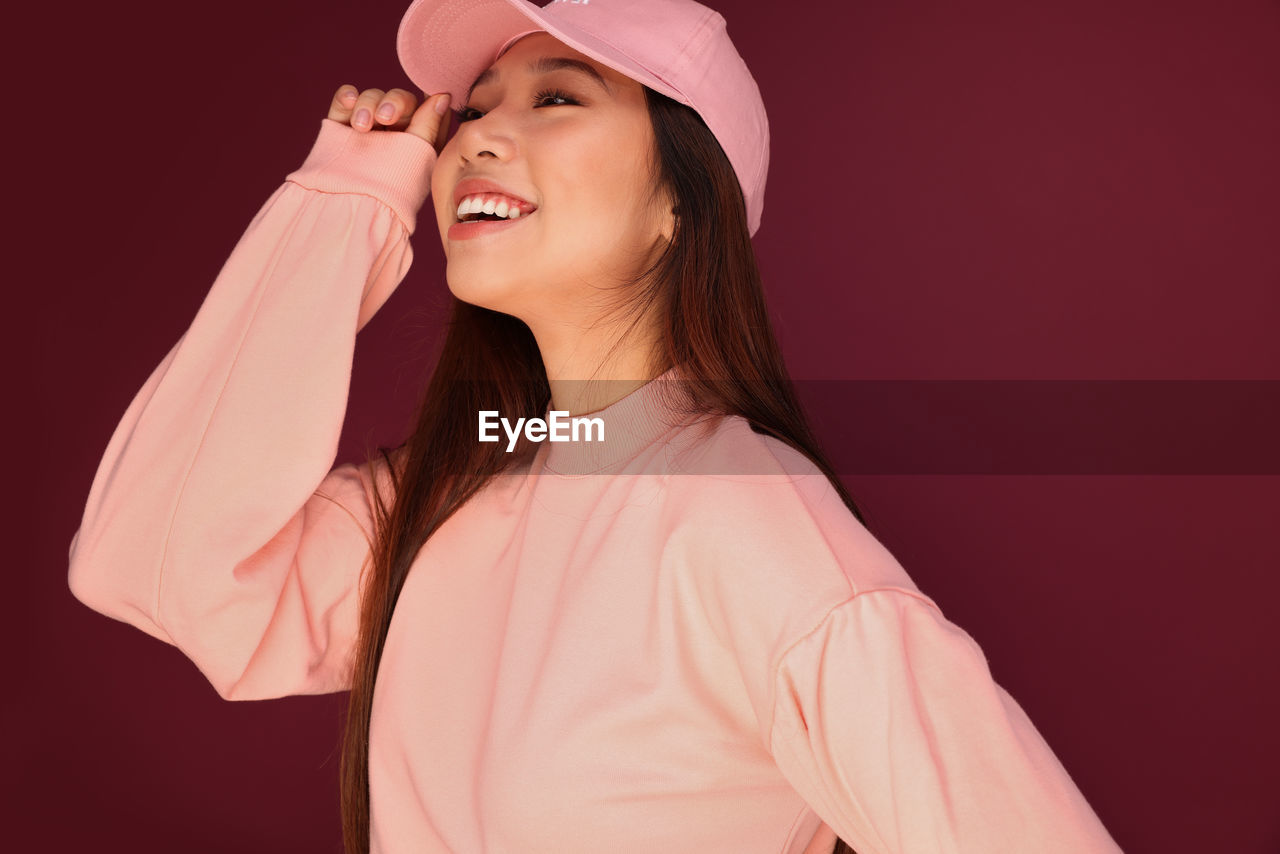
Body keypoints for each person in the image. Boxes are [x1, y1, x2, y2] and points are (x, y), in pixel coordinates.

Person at [66, 0, 1124, 852]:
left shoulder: (746, 528)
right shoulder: (451, 489)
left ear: (680, 201)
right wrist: (342, 207)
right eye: (473, 107)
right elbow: (151, 561)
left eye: (558, 97)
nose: (478, 132)